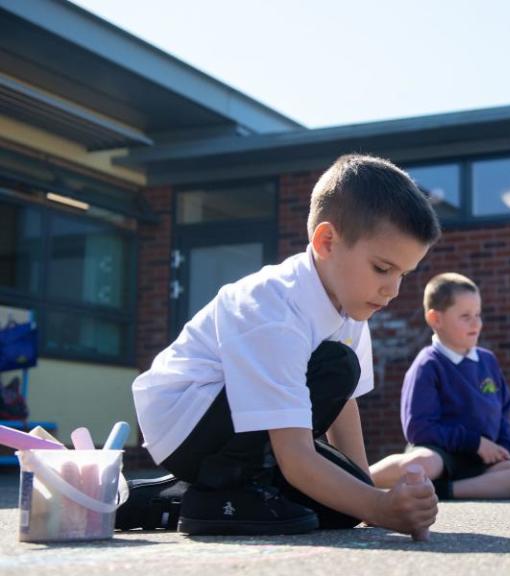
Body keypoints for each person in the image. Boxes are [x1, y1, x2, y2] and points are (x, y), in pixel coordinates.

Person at [118, 154, 441, 536]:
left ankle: (182, 500)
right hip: (187, 423)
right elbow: (296, 457)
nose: (393, 289)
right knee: (338, 366)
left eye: (403, 274)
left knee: (339, 510)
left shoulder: (351, 301)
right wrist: (383, 508)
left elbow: (343, 405)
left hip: (241, 424)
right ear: (326, 242)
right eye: (383, 269)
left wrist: (367, 498)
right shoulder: (273, 310)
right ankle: (220, 487)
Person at [369, 273, 510, 500]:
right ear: (435, 319)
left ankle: (444, 492)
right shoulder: (428, 364)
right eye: (465, 316)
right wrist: (474, 442)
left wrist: (502, 448)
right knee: (421, 464)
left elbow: (504, 411)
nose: (476, 323)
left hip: (480, 465)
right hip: (440, 457)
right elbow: (418, 429)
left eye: (478, 315)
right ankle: (358, 478)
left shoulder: (488, 361)